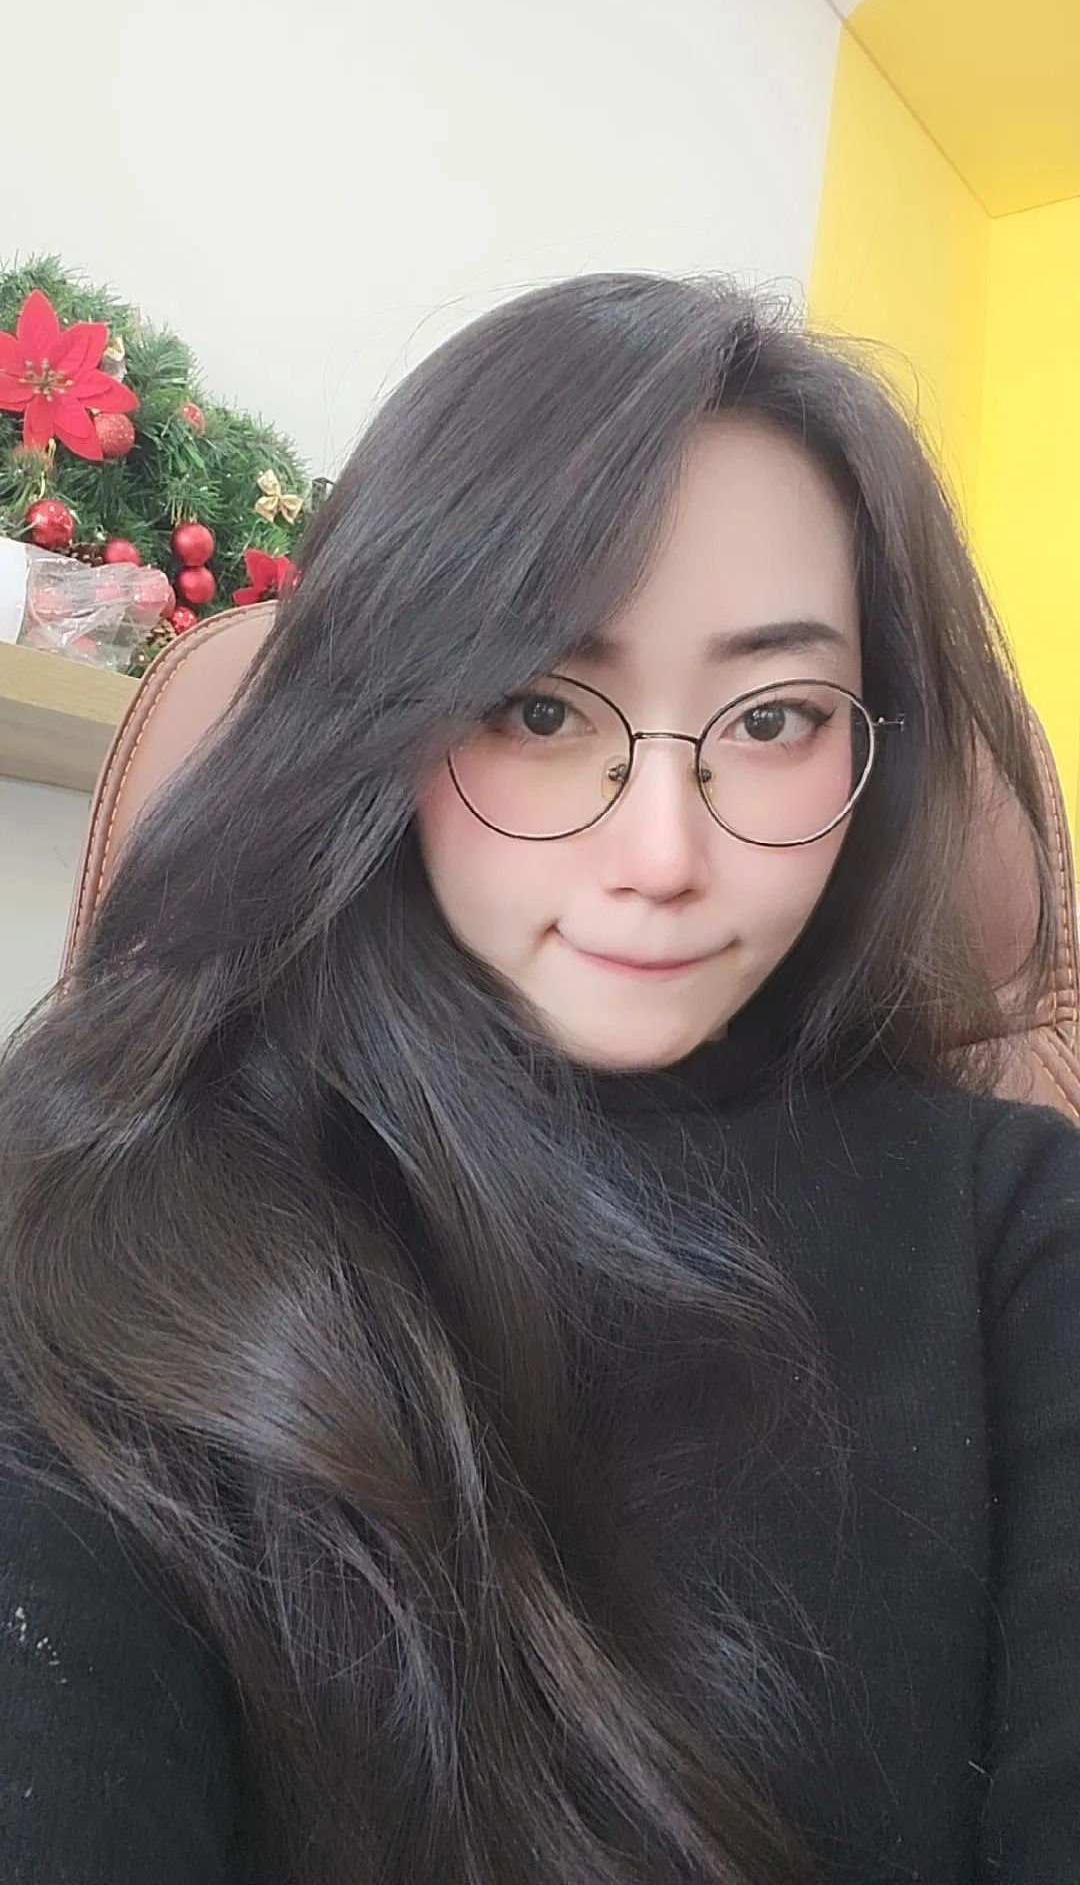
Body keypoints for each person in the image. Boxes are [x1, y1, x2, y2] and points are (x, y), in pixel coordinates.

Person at [0, 271, 1077, 1885]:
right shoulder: (126, 1201)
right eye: (541, 706)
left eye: (774, 718)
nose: (665, 855)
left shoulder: (1019, 1224)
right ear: (383, 721)